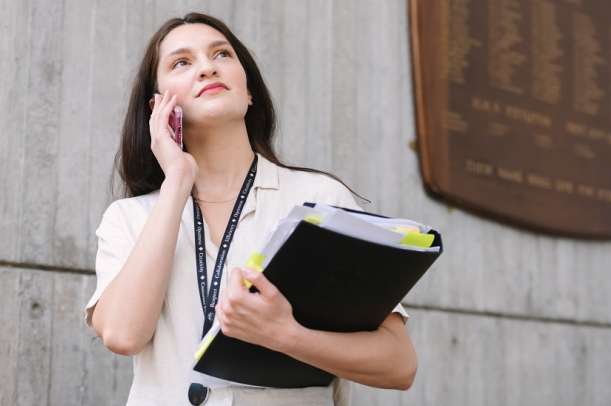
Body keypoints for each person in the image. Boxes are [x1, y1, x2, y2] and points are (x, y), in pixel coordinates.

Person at [84, 12, 417, 406]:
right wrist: (176, 182)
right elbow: (123, 335)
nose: (207, 68)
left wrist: (285, 335)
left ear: (249, 91)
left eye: (221, 55)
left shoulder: (318, 200)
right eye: (182, 62)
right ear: (158, 107)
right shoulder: (129, 218)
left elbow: (399, 364)